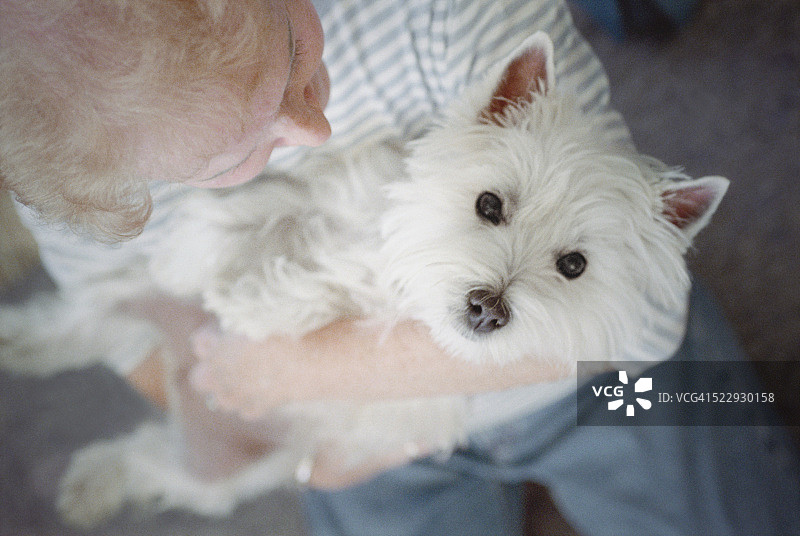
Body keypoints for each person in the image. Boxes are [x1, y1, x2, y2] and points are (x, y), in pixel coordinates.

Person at [2, 1, 798, 535]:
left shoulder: (457, 16)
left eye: (288, 61)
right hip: (348, 436)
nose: (315, 128)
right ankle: (141, 470)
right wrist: (307, 449)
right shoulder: (82, 181)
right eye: (231, 157)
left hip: (576, 382)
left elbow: (650, 323)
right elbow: (140, 341)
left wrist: (303, 372)